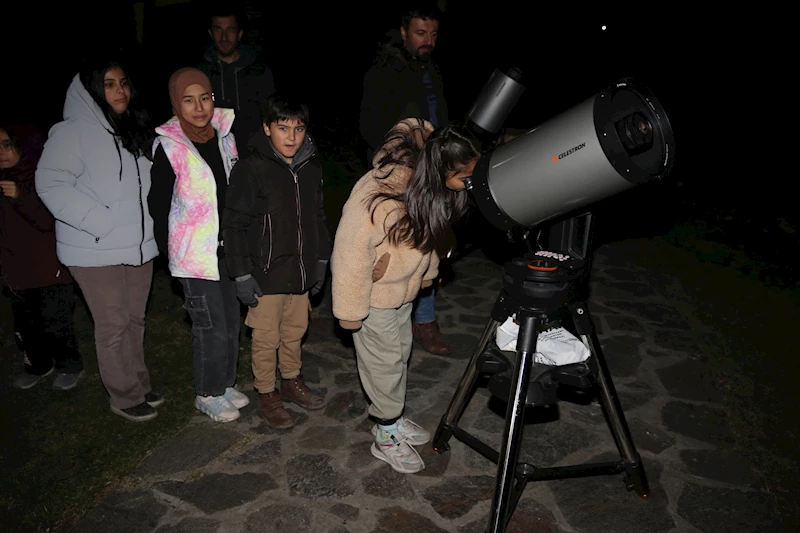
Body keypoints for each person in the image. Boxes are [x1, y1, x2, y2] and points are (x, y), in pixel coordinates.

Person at [331, 118, 480, 473]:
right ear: (441, 169)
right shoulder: (379, 195)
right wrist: (349, 308)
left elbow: (427, 241)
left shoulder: (426, 189)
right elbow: (349, 252)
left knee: (398, 355)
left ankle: (391, 420)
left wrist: (426, 275)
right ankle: (385, 433)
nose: (468, 184)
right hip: (372, 298)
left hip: (402, 294)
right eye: (464, 177)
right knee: (383, 366)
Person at [35, 55, 162, 422]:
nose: (119, 90)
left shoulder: (133, 129)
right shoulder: (72, 132)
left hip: (138, 244)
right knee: (113, 325)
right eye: (109, 84)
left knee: (134, 319)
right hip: (94, 248)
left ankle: (138, 382)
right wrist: (100, 222)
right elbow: (50, 182)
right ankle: (123, 396)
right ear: (91, 90)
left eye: (123, 82)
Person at [222, 94, 330, 429]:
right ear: (268, 128)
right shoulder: (251, 168)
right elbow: (234, 223)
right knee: (266, 337)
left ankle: (291, 380)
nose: (292, 136)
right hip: (264, 274)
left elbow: (318, 217)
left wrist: (321, 261)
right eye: (283, 128)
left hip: (298, 271)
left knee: (295, 330)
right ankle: (267, 393)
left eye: (298, 129)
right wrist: (240, 273)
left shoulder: (310, 166)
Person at [149, 67, 250, 423]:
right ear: (177, 104)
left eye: (204, 98)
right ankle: (206, 393)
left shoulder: (225, 134)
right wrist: (170, 254)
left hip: (227, 250)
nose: (199, 107)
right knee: (210, 327)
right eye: (188, 100)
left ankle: (223, 385)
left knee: (231, 323)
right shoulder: (169, 147)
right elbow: (158, 204)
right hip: (194, 256)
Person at [359, 4, 451, 356]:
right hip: (398, 172)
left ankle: (424, 320)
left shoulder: (433, 69)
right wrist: (398, 159)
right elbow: (368, 126)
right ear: (403, 33)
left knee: (429, 243)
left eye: (433, 34)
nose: (428, 41)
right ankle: (387, 315)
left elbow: (438, 115)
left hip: (432, 168)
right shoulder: (383, 70)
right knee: (396, 246)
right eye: (420, 33)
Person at [1, 123, 83, 391]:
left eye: (6, 145)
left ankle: (68, 366)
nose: (1, 152)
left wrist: (20, 196)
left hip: (48, 265)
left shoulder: (40, 175)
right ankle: (37, 365)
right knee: (25, 325)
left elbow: (48, 219)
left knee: (55, 320)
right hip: (15, 269)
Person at [198, 4, 276, 156]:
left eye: (230, 30)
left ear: (240, 33)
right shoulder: (199, 74)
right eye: (218, 30)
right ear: (210, 33)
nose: (224, 37)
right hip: (213, 154)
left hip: (254, 155)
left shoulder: (259, 71)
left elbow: (272, 115)